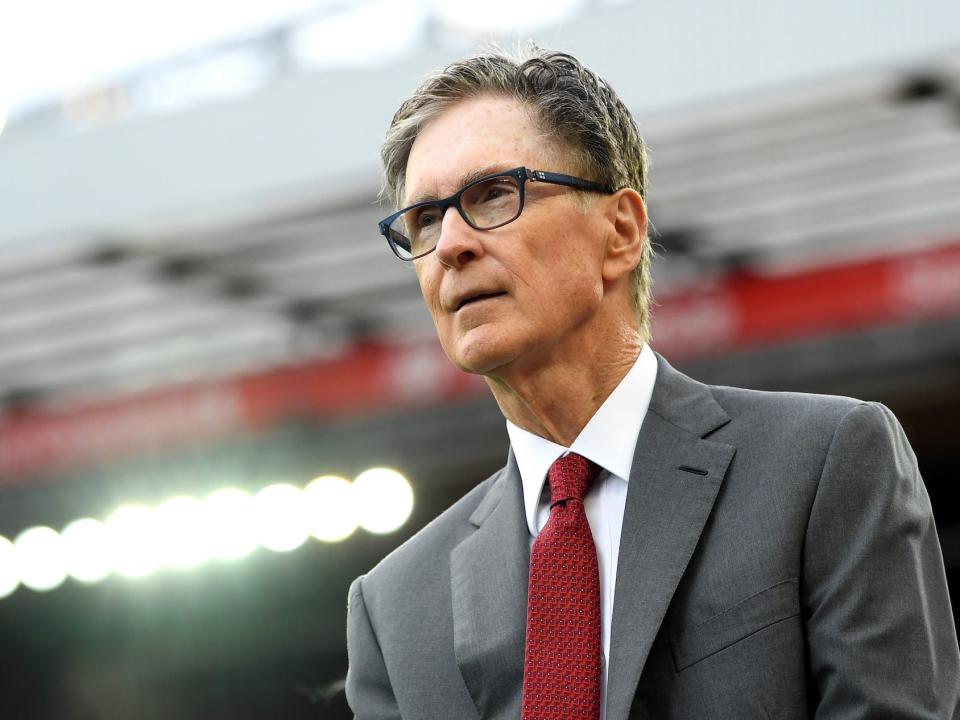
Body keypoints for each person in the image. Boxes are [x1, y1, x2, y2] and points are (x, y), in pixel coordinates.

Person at [345, 46, 960, 719]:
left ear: (622, 230)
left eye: (494, 193)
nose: (452, 244)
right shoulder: (394, 609)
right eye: (426, 220)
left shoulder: (825, 463)